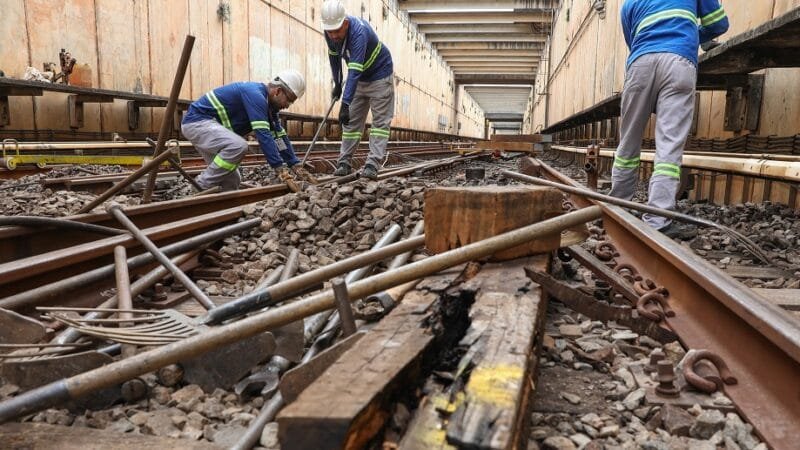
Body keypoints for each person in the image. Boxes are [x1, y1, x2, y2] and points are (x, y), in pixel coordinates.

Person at [610, 0, 728, 238]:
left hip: (640, 64)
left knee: (628, 141)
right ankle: (658, 219)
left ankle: (618, 207)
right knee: (669, 147)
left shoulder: (629, 4)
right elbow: (718, 24)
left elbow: (633, 42)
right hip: (678, 62)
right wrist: (693, 35)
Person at [181, 69, 318, 192]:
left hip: (210, 129)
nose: (288, 106)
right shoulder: (255, 95)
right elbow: (263, 135)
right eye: (289, 100)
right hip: (197, 123)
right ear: (278, 91)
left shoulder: (270, 108)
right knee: (238, 146)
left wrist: (294, 164)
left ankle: (213, 207)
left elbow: (278, 137)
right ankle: (200, 186)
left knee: (232, 181)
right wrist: (279, 169)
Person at [321, 0, 395, 180]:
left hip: (380, 76)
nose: (333, 35)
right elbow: (334, 59)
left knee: (379, 125)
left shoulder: (359, 32)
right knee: (351, 124)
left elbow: (354, 70)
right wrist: (337, 83)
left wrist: (345, 103)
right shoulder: (330, 31)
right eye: (330, 31)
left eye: (337, 30)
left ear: (345, 23)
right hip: (359, 79)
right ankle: (344, 163)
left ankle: (372, 164)